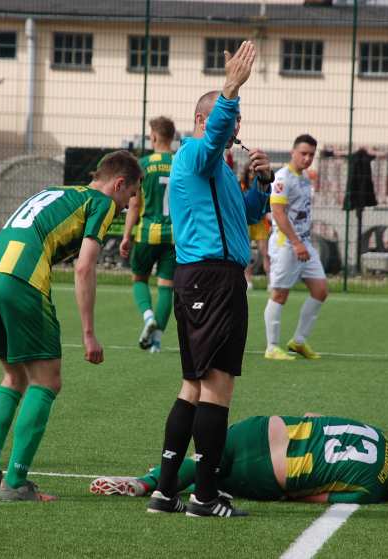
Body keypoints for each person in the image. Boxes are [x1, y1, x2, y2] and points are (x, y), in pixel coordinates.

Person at [0, 150, 142, 502]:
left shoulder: (59, 192)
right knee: (48, 381)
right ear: (119, 184)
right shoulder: (101, 202)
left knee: (14, 377)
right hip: (21, 280)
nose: (127, 206)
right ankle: (15, 483)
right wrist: (89, 333)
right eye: (130, 196)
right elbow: (84, 267)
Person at [149, 41, 272, 518]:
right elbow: (217, 127)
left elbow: (242, 217)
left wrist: (261, 183)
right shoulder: (196, 154)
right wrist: (231, 90)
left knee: (193, 386)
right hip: (211, 282)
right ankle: (203, 496)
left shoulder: (215, 168)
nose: (233, 133)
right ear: (204, 122)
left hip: (205, 280)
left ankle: (165, 490)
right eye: (227, 125)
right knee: (218, 385)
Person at [91, 413, 388, 505]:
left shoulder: (382, 436)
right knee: (212, 478)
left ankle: (151, 481)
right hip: (270, 473)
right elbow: (320, 497)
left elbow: (315, 414)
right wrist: (289, 495)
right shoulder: (375, 490)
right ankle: (148, 485)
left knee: (209, 458)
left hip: (266, 428)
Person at [264, 134, 327, 361]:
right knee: (280, 294)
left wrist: (303, 242)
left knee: (320, 290)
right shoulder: (282, 178)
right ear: (293, 152)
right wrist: (296, 242)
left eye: (311, 154)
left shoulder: (304, 178)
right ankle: (271, 347)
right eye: (303, 153)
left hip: (304, 242)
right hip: (286, 244)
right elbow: (278, 213)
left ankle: (298, 341)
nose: (307, 158)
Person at [119, 116, 176, 353]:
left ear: (153, 137)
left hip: (146, 234)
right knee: (166, 286)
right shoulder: (180, 163)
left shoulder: (142, 165)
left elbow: (133, 205)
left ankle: (148, 316)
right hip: (173, 236)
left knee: (139, 279)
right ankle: (157, 342)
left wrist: (126, 236)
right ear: (172, 138)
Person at [240, 161, 271, 291]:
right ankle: (247, 280)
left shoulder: (262, 185)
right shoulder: (240, 186)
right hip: (245, 223)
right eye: (250, 172)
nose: (252, 175)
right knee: (246, 253)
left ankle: (271, 281)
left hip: (260, 222)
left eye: (255, 172)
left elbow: (267, 205)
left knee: (265, 252)